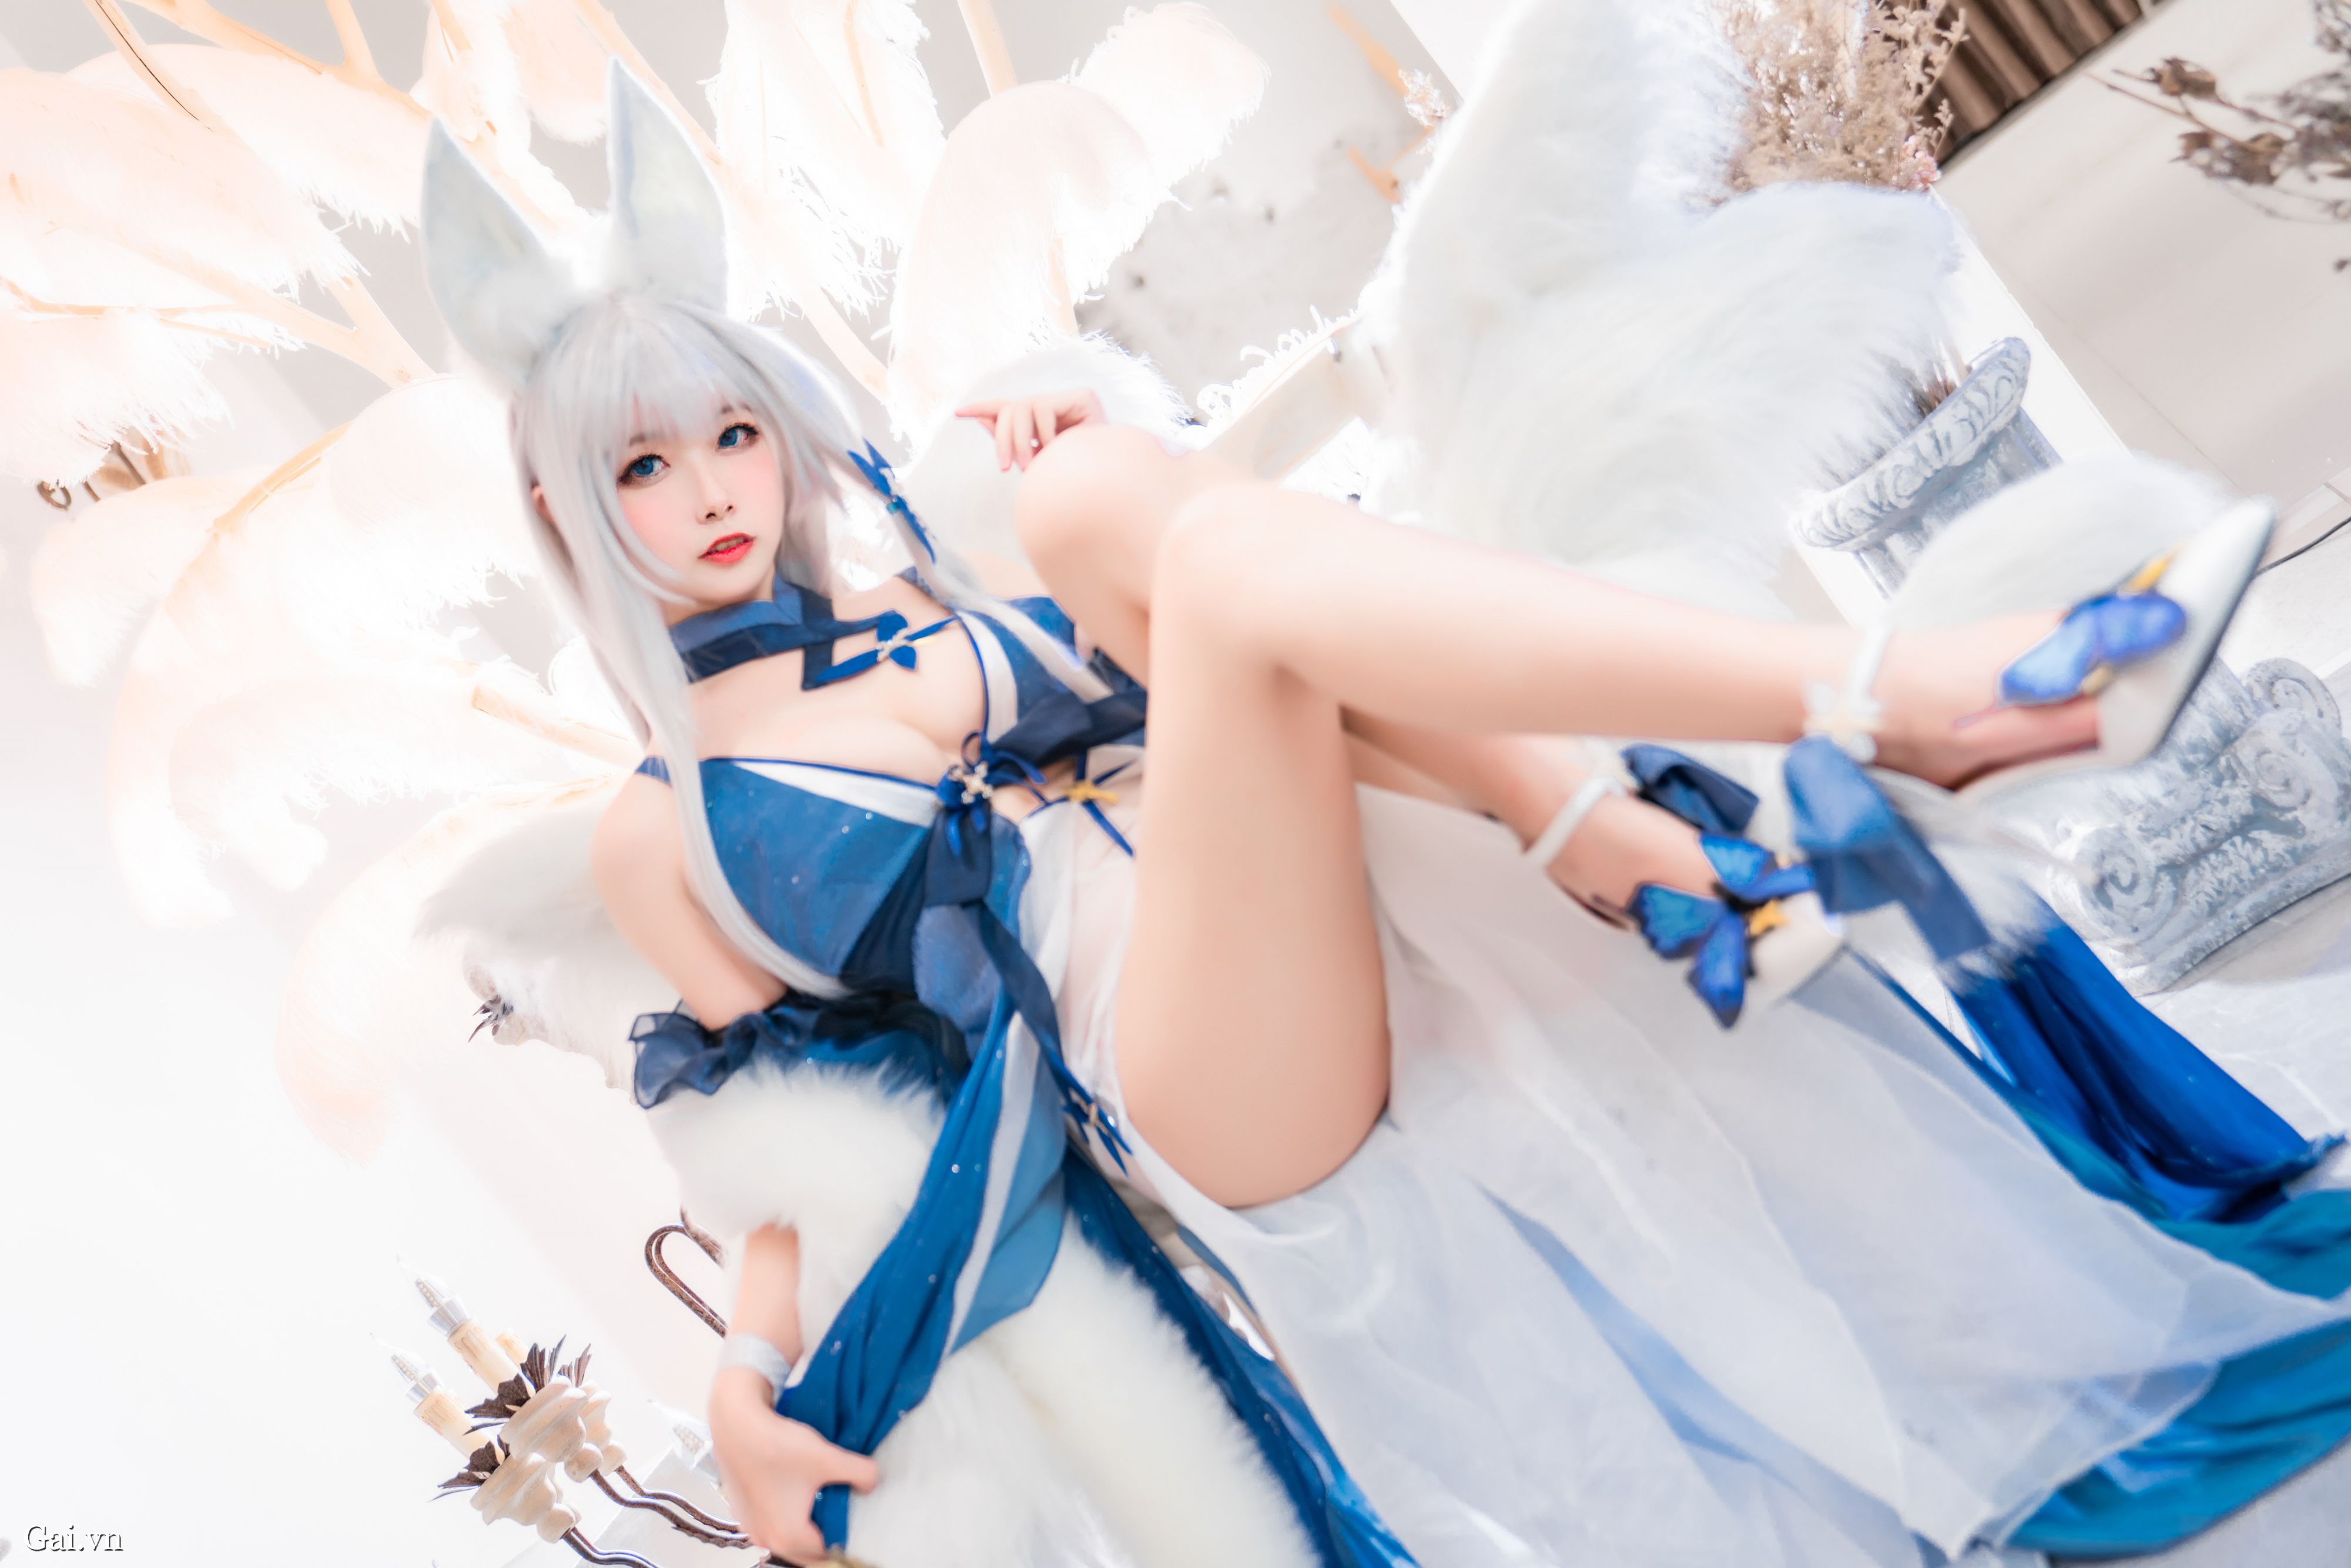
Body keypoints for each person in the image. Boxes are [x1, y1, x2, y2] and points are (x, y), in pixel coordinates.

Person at [429, 64, 2351, 1568]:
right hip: (1182, 1070)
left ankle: (1684, 819)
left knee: (1106, 497)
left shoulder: (931, 579)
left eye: (731, 432)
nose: (711, 491)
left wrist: (1061, 447)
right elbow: (784, 1147)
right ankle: (1864, 728)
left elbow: (1253, 643)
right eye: (644, 465)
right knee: (1179, 544)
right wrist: (748, 1372)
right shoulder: (661, 828)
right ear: (568, 513)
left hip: (1328, 875)